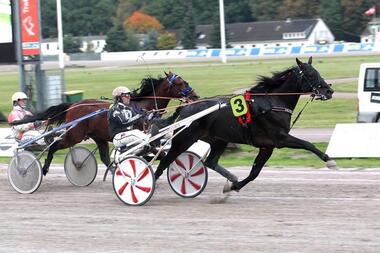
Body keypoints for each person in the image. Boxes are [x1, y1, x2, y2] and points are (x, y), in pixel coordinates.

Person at [108, 86, 160, 154]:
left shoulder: (129, 109)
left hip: (128, 137)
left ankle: (148, 149)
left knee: (138, 134)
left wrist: (152, 115)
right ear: (119, 98)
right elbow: (125, 122)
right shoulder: (114, 109)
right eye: (126, 95)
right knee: (136, 132)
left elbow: (142, 121)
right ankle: (153, 143)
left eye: (129, 95)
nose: (129, 97)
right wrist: (140, 115)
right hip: (119, 137)